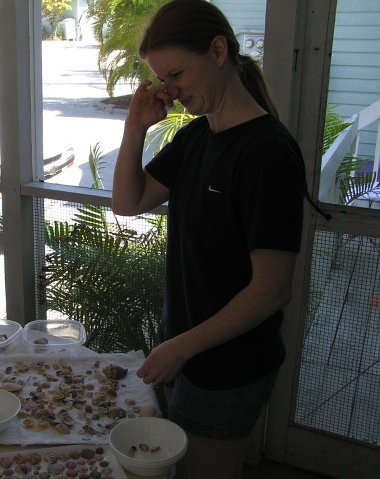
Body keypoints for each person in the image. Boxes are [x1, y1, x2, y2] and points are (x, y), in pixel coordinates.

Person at [111, 1, 306, 478]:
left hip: (228, 370)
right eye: (162, 78)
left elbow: (273, 288)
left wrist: (182, 346)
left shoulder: (267, 153)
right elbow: (127, 202)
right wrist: (134, 129)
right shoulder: (199, 137)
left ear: (218, 51)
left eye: (176, 74)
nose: (170, 92)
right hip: (188, 353)